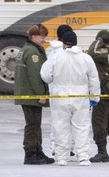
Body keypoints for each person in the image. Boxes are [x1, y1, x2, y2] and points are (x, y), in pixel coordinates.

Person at [40, 31, 100, 166]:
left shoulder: (56, 57)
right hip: (81, 97)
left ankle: (62, 157)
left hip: (60, 97)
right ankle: (83, 156)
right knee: (82, 127)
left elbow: (45, 76)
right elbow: (94, 79)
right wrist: (95, 97)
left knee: (61, 127)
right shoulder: (86, 58)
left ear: (63, 43)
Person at [14, 23, 55, 165]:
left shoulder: (26, 49)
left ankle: (38, 151)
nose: (44, 39)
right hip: (31, 94)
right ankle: (30, 153)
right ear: (34, 36)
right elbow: (35, 75)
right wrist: (41, 94)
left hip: (26, 93)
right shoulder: (32, 52)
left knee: (35, 123)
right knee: (32, 124)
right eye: (42, 36)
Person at [87, 29, 109, 162]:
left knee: (98, 120)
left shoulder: (104, 53)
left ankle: (102, 151)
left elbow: (91, 52)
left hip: (105, 90)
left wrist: (99, 40)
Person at [47, 24, 76, 160]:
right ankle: (68, 148)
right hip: (74, 91)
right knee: (73, 121)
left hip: (56, 91)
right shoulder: (72, 53)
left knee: (57, 121)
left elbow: (46, 74)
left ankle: (56, 148)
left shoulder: (53, 52)